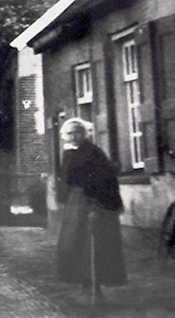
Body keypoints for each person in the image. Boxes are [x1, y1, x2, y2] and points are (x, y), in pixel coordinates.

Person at [55, 118, 127, 300]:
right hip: (75, 205)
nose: (74, 136)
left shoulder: (93, 153)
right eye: (70, 133)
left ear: (84, 134)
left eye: (77, 132)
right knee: (75, 245)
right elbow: (66, 180)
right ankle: (84, 285)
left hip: (94, 203)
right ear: (65, 136)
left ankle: (97, 289)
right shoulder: (68, 153)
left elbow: (107, 178)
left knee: (95, 246)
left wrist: (97, 205)